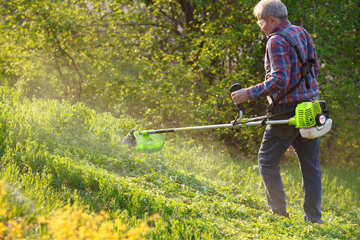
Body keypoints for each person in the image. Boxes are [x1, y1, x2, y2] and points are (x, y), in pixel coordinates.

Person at [231, 0, 322, 223]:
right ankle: (314, 220)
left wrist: (247, 93)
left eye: (260, 21)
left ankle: (279, 214)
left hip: (286, 111)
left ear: (272, 20)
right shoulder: (302, 33)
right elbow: (315, 68)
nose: (259, 26)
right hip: (310, 107)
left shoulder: (276, 40)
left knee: (266, 160)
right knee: (311, 166)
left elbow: (279, 80)